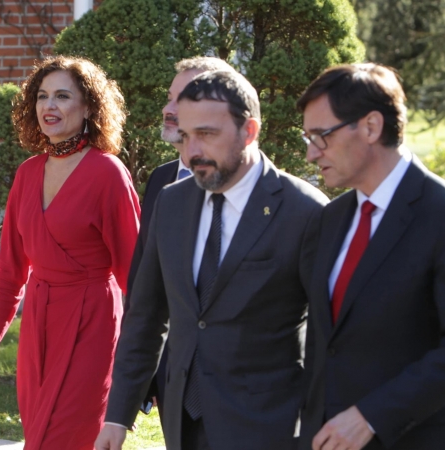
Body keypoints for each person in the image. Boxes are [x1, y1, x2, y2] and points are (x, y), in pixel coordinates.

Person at [96, 70, 328, 450]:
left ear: (249, 131)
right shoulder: (171, 203)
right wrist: (117, 415)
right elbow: (146, 316)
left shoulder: (305, 212)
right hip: (182, 423)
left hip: (271, 427)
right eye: (185, 136)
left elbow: (329, 338)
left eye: (207, 134)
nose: (192, 152)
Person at [295, 63, 445, 450]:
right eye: (308, 137)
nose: (309, 153)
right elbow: (325, 343)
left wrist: (371, 415)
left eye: (321, 136)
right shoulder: (330, 220)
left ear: (371, 127)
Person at [0, 55, 140, 450]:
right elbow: (11, 270)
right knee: (39, 432)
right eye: (43, 96)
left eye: (63, 96)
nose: (50, 106)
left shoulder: (108, 174)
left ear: (88, 108)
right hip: (38, 324)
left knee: (67, 436)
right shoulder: (27, 173)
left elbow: (135, 273)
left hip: (93, 323)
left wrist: (140, 357)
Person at [127, 56, 236, 422]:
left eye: (184, 98)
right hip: (174, 379)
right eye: (170, 97)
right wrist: (145, 376)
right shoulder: (161, 181)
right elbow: (145, 281)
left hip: (238, 386)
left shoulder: (275, 199)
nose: (169, 109)